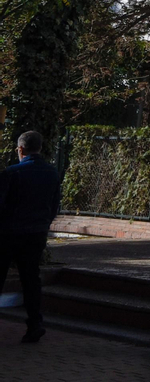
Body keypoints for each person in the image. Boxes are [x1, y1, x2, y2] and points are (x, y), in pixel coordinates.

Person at [0, 130, 63, 343]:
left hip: (9, 233)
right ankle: (35, 323)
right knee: (31, 279)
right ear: (40, 148)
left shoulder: (11, 173)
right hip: (36, 233)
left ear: (20, 149)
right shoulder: (52, 173)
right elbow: (54, 206)